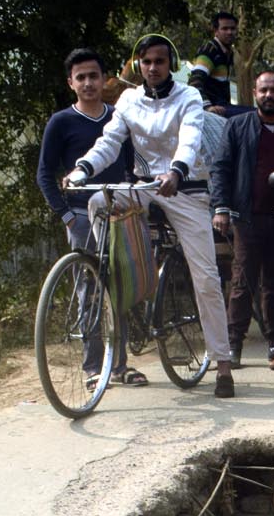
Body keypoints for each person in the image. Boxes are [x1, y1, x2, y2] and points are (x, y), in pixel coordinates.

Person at [71, 34, 237, 398]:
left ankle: (223, 364)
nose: (153, 68)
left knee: (206, 276)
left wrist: (176, 171)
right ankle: (126, 271)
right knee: (100, 201)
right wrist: (83, 168)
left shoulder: (188, 96)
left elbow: (190, 139)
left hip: (186, 187)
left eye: (160, 62)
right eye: (146, 62)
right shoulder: (128, 100)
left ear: (170, 65)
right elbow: (110, 140)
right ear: (138, 65)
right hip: (145, 187)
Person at [36, 47, 145, 386]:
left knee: (120, 288)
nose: (88, 83)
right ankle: (93, 367)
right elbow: (44, 174)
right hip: (82, 216)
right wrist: (67, 216)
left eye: (93, 76)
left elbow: (130, 168)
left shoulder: (118, 118)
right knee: (89, 291)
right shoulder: (61, 122)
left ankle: (121, 366)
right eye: (80, 78)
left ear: (104, 78)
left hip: (117, 214)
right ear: (71, 83)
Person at [212, 71, 274, 371]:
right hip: (247, 218)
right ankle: (233, 345)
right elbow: (221, 168)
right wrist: (221, 208)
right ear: (254, 93)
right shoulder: (237, 126)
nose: (269, 95)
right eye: (264, 90)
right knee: (242, 282)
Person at [189, 12, 238, 115]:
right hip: (213, 108)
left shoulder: (227, 53)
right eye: (225, 29)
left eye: (233, 29)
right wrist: (207, 106)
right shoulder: (209, 51)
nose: (229, 32)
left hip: (224, 106)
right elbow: (194, 82)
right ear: (216, 31)